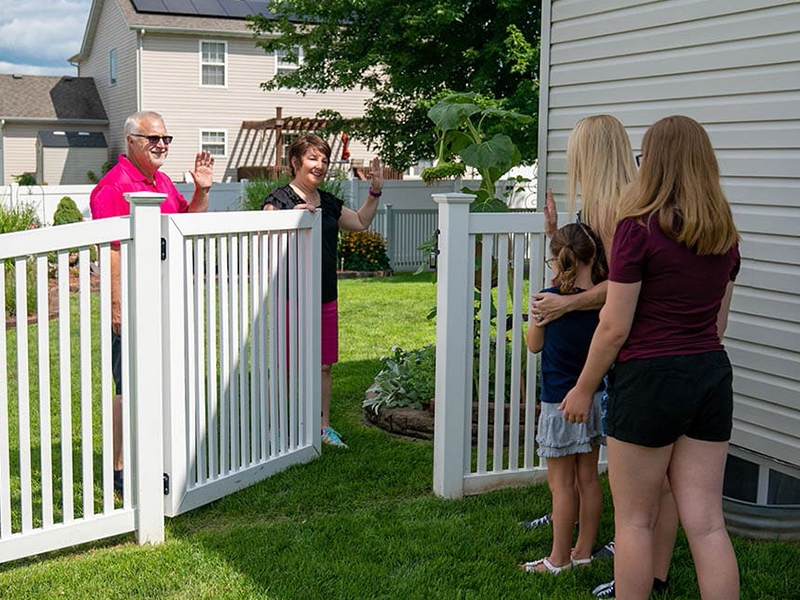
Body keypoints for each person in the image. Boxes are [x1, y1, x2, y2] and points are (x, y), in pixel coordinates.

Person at [560, 115, 741, 600]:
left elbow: (615, 326)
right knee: (706, 524)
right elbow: (718, 326)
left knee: (635, 521)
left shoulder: (637, 231)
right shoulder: (724, 236)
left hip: (648, 380)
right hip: (710, 376)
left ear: (654, 161)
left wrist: (581, 387)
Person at [527, 115, 678, 598]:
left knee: (643, 477)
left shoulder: (620, 208)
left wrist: (564, 303)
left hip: (628, 353)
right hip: (629, 356)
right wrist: (553, 231)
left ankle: (634, 560)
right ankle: (605, 543)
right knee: (600, 472)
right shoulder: (600, 204)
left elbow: (625, 286)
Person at [90, 110, 215, 496]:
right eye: (153, 139)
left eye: (165, 139)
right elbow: (111, 250)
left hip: (164, 298)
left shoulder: (160, 180)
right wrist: (116, 305)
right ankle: (119, 468)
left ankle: (157, 451)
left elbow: (184, 224)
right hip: (132, 301)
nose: (161, 145)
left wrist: (203, 191)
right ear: (131, 141)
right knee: (126, 385)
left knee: (160, 378)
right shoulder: (113, 187)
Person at [262, 134, 383, 448]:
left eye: (325, 160)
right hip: (292, 295)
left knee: (324, 364)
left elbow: (359, 222)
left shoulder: (327, 201)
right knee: (287, 365)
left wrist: (375, 192)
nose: (320, 166)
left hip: (325, 295)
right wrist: (295, 220)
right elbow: (264, 239)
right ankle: (278, 429)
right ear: (295, 161)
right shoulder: (279, 200)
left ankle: (322, 427)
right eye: (313, 158)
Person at [519, 223, 606, 574]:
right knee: (588, 479)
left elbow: (534, 344)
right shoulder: (603, 299)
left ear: (556, 260)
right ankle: (583, 552)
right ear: (594, 256)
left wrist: (536, 315)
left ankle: (557, 560)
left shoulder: (546, 298)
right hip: (593, 396)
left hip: (559, 403)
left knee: (562, 484)